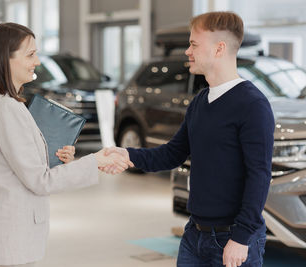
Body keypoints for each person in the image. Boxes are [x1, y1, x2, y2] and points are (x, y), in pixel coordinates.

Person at [104, 11, 275, 267]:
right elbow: (173, 153)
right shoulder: (200, 102)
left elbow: (259, 175)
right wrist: (127, 154)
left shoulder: (253, 105)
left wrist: (241, 238)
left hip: (233, 238)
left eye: (194, 44)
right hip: (195, 234)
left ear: (219, 49)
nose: (187, 51)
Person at [0, 22, 133, 267]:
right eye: (30, 54)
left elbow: (13, 163)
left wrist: (52, 156)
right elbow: (40, 180)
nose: (37, 61)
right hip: (13, 236)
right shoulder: (7, 109)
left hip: (6, 231)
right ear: (6, 59)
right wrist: (95, 161)